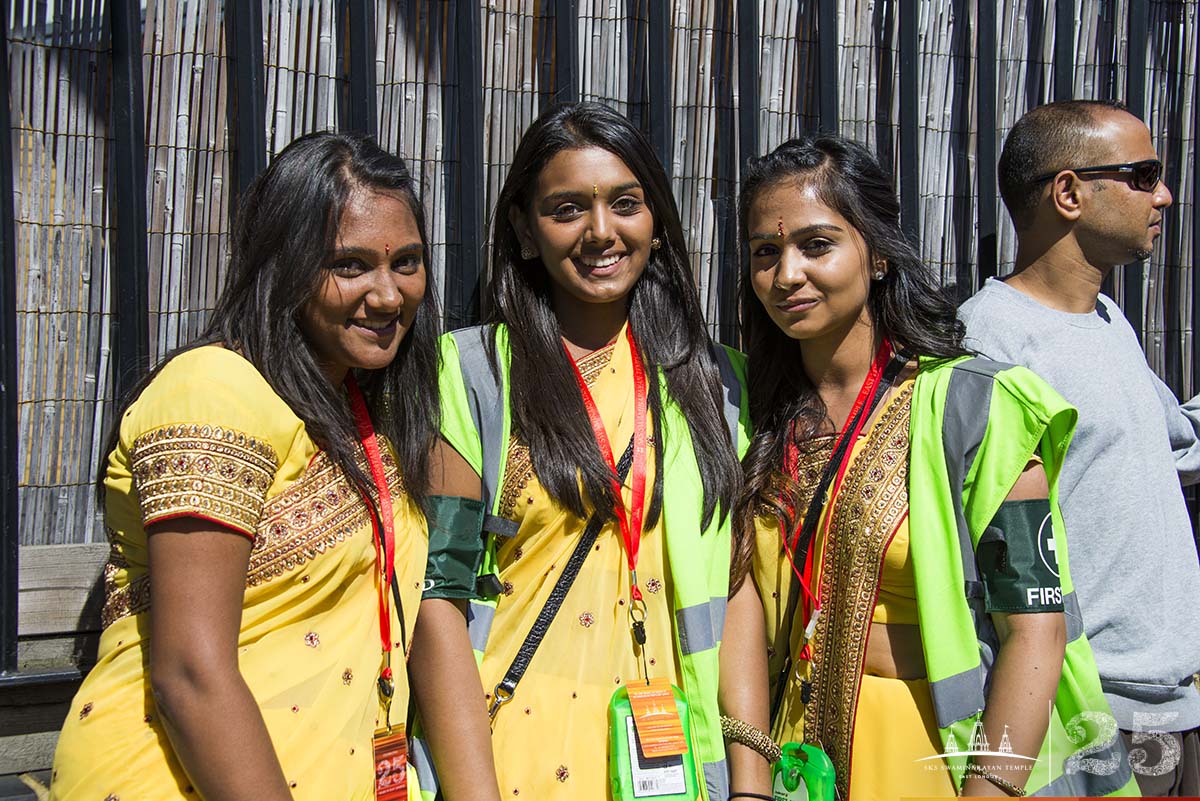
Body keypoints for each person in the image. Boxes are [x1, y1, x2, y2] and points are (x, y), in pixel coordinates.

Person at [728, 134, 1138, 799]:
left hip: (930, 761)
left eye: (817, 244)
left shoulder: (981, 410)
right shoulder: (756, 417)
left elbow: (1038, 632)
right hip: (795, 759)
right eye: (765, 253)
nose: (787, 274)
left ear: (880, 253)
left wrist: (989, 790)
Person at [49, 132, 448, 801]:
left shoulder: (364, 414)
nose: (388, 295)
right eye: (350, 265)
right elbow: (190, 672)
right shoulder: (216, 388)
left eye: (405, 262)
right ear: (285, 263)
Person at [406, 102, 768, 801]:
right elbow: (437, 599)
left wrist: (748, 782)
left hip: (679, 767)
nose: (601, 232)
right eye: (567, 209)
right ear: (523, 230)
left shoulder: (717, 383)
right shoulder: (472, 373)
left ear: (656, 222)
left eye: (625, 204)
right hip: (510, 760)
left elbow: (738, 586)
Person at [959, 99, 1200, 796]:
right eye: (1144, 173)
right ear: (1068, 193)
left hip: (1172, 702)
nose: (1164, 194)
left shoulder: (1104, 318)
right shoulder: (991, 343)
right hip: (1094, 715)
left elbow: (1171, 443)